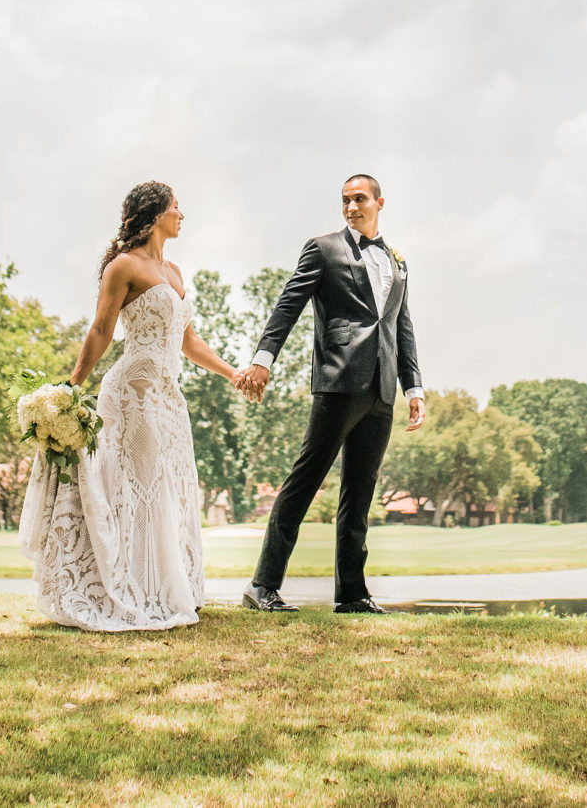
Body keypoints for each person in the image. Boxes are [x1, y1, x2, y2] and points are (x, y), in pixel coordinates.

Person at [22, 180, 245, 630]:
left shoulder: (177, 273)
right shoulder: (123, 266)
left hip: (169, 400)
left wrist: (233, 374)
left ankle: (170, 588)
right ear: (156, 213)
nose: (183, 215)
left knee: (172, 488)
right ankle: (133, 590)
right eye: (177, 207)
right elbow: (102, 330)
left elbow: (189, 340)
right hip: (132, 396)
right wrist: (70, 389)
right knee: (137, 489)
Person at [235, 173, 424, 614]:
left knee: (360, 493)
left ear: (380, 202)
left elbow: (402, 327)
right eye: (345, 201)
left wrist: (412, 386)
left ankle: (353, 594)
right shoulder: (323, 248)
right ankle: (262, 585)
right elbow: (289, 303)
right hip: (338, 382)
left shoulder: (397, 261)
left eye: (360, 199)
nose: (351, 207)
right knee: (304, 482)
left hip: (382, 390)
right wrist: (264, 359)